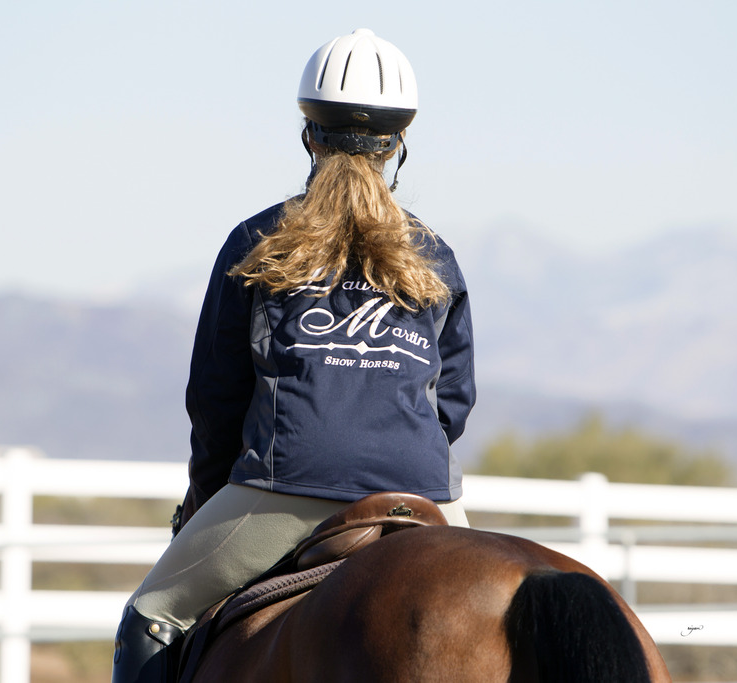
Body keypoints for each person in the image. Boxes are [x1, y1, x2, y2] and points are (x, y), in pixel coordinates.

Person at [111, 28, 475, 683]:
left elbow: (216, 398)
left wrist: (209, 489)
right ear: (399, 143)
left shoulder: (257, 240)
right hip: (422, 491)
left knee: (150, 616)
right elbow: (453, 400)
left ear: (309, 133)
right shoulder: (434, 255)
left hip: (289, 488)